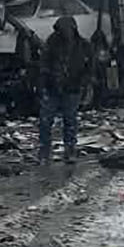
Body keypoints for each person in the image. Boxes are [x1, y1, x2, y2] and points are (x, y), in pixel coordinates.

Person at [37, 14, 91, 163]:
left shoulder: (83, 45)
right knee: (46, 121)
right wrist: (45, 82)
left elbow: (89, 67)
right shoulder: (52, 43)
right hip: (52, 87)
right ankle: (44, 151)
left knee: (70, 120)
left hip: (72, 87)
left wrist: (83, 83)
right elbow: (44, 64)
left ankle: (70, 150)